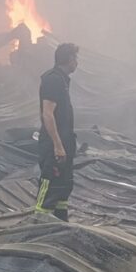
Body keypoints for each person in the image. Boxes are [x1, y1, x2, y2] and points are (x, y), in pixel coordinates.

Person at [35, 43, 79, 221]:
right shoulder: (53, 79)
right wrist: (58, 145)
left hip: (65, 141)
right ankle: (38, 226)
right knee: (50, 185)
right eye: (75, 58)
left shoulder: (62, 80)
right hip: (54, 144)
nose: (77, 62)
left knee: (63, 186)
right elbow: (48, 114)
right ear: (69, 59)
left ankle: (61, 223)